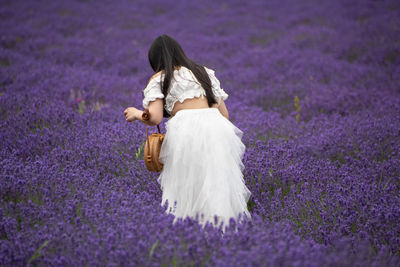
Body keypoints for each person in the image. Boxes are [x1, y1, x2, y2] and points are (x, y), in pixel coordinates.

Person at [123, 34, 251, 232]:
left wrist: (136, 114)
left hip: (186, 131)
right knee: (216, 183)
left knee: (186, 185)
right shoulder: (204, 73)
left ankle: (189, 235)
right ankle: (225, 234)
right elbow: (224, 114)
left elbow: (154, 118)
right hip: (217, 127)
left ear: (155, 60)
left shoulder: (159, 78)